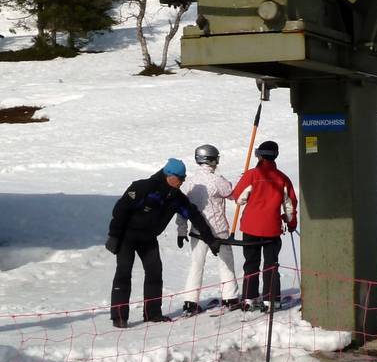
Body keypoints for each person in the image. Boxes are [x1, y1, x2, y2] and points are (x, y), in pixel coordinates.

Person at [106, 158, 220, 327]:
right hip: (127, 237)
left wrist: (210, 240)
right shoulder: (142, 187)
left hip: (148, 239)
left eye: (184, 178)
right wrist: (114, 236)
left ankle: (152, 313)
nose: (182, 181)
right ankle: (119, 317)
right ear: (169, 175)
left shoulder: (176, 197)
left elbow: (193, 215)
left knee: (154, 272)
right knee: (124, 273)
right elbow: (120, 210)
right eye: (180, 178)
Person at [230, 140, 298, 311]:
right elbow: (289, 205)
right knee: (271, 263)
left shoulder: (252, 175)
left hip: (250, 227)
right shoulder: (282, 178)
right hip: (272, 228)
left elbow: (238, 198)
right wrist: (291, 222)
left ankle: (249, 298)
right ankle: (271, 300)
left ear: (259, 156)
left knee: (251, 263)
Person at [175, 145, 240, 315]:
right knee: (226, 263)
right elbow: (232, 193)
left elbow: (182, 209)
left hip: (197, 231)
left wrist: (181, 230)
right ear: (212, 160)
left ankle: (190, 302)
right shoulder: (216, 180)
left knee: (196, 265)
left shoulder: (189, 183)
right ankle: (230, 298)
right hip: (218, 231)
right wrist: (241, 180)